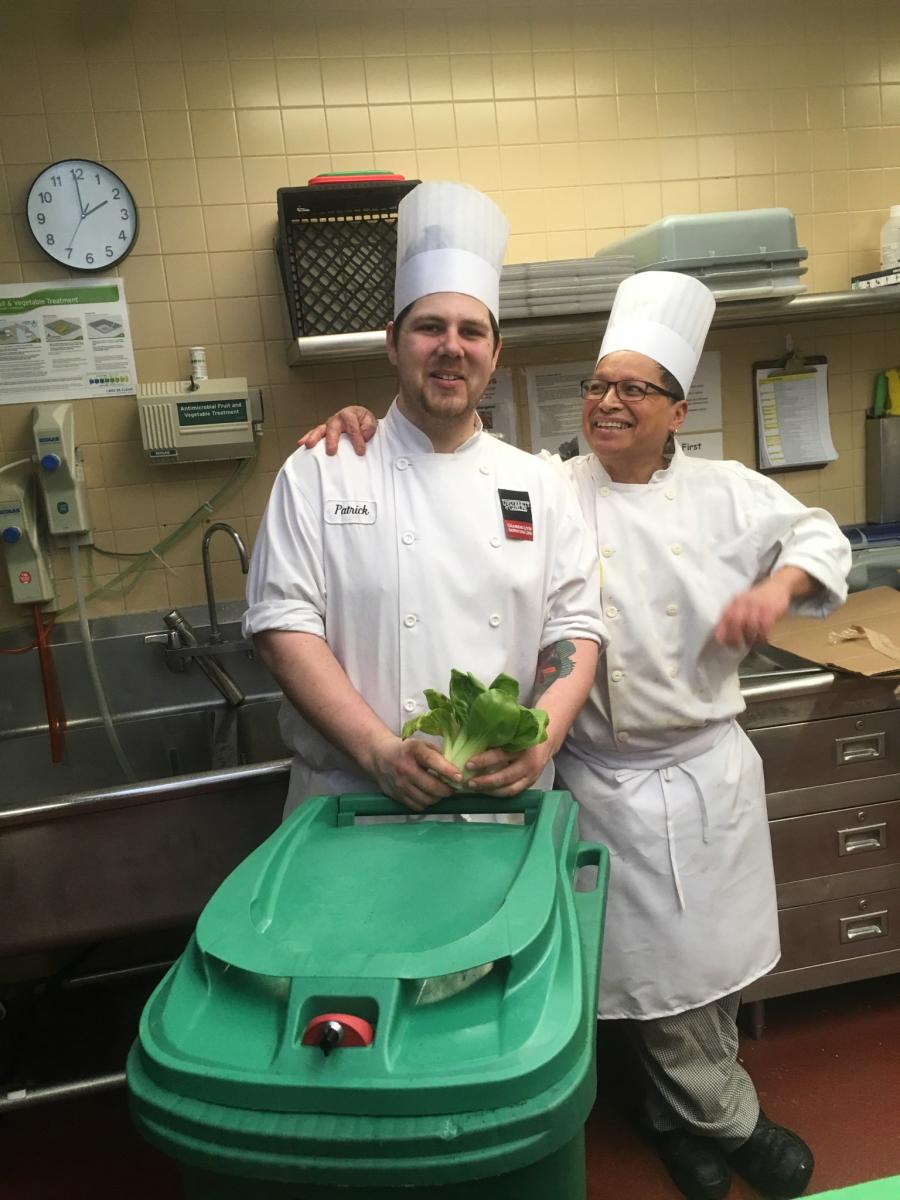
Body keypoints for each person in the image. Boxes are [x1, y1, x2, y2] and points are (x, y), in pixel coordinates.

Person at [298, 269, 852, 1200]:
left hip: (706, 769)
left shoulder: (727, 491)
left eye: (635, 389)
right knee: (637, 977)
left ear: (679, 411)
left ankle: (680, 1119)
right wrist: (357, 425)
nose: (608, 402)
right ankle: (719, 1119)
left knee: (707, 969)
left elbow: (822, 536)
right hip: (601, 776)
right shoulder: (546, 487)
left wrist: (779, 589)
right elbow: (442, 476)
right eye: (600, 385)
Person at [242, 181, 607, 821]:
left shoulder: (539, 485)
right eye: (429, 327)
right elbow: (282, 627)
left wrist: (541, 740)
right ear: (392, 342)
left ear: (495, 354)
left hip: (501, 814)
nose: (450, 347)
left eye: (471, 331)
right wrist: (379, 751)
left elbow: (574, 627)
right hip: (349, 814)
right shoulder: (319, 471)